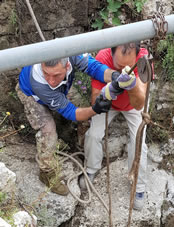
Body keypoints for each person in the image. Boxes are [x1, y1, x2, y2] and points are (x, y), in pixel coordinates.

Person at [16, 54, 118, 196]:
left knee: (84, 109)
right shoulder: (39, 82)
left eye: (56, 75)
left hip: (62, 88)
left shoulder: (71, 52)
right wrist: (95, 110)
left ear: (67, 65)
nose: (51, 80)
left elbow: (94, 67)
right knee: (48, 131)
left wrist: (114, 76)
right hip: (32, 94)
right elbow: (70, 112)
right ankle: (47, 173)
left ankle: (83, 149)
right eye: (46, 73)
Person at [81, 43, 149, 211]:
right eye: (118, 65)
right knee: (93, 135)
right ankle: (91, 168)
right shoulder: (102, 58)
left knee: (138, 141)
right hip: (109, 103)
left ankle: (138, 186)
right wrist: (108, 91)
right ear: (111, 55)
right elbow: (94, 100)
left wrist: (131, 87)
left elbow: (139, 103)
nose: (124, 68)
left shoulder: (143, 61)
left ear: (137, 56)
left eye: (128, 65)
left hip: (133, 105)